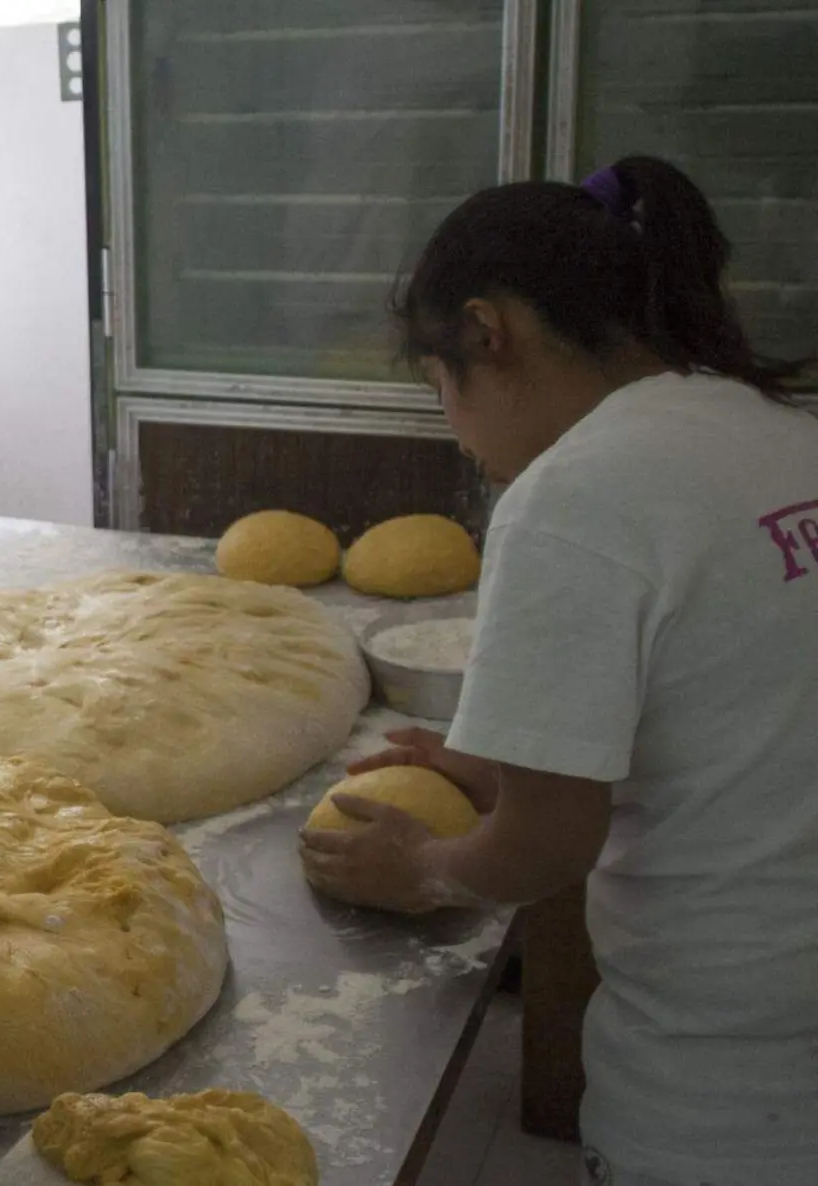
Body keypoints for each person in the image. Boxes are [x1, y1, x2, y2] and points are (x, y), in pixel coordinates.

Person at [300, 156, 817, 1186]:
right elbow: (748, 722)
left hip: (727, 1092)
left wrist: (427, 868)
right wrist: (519, 765)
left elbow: (543, 850)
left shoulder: (574, 495)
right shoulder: (783, 435)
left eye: (439, 388)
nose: (457, 427)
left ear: (487, 334)